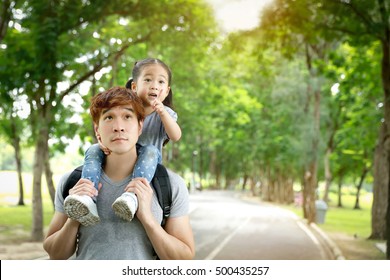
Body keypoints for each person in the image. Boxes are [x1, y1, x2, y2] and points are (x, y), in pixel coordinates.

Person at [43, 86, 194, 259]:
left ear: (140, 126)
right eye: (108, 117)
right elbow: (55, 253)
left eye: (127, 117)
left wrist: (147, 218)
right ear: (97, 130)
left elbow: (184, 259)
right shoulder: (73, 182)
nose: (118, 127)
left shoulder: (170, 184)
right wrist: (75, 217)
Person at [64, 58, 181, 225]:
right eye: (147, 80)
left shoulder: (165, 113)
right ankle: (87, 195)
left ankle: (132, 196)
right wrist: (103, 142)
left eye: (161, 81)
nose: (154, 85)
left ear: (167, 90)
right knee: (92, 149)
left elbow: (175, 136)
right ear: (134, 86)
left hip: (148, 162)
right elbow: (106, 126)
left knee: (150, 150)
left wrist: (162, 113)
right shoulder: (125, 106)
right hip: (120, 157)